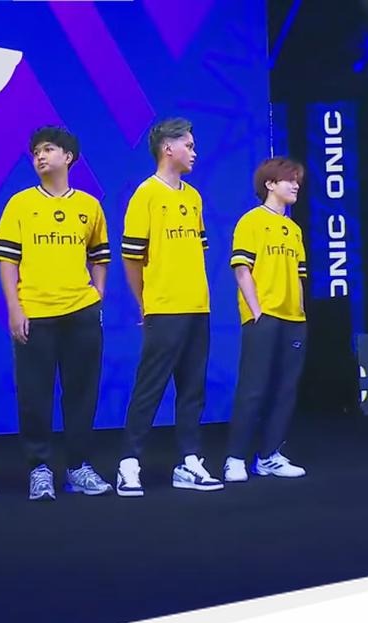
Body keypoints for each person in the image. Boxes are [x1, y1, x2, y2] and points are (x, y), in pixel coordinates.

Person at [0, 126, 113, 501]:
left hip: (81, 314)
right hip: (35, 313)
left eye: (48, 149)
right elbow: (7, 261)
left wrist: (97, 294)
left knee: (82, 394)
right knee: (34, 396)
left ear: (68, 157)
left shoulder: (89, 206)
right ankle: (39, 469)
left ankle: (78, 467)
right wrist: (15, 308)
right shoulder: (20, 204)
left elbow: (100, 255)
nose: (40, 157)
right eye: (35, 152)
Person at [117, 118, 222, 497]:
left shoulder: (193, 198)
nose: (194, 152)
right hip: (163, 308)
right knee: (150, 388)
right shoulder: (145, 195)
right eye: (188, 146)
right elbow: (131, 258)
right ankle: (128, 463)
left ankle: (189, 461)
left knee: (193, 388)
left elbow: (197, 251)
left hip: (198, 307)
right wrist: (145, 303)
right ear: (167, 148)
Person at [222, 157, 309, 483]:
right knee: (253, 389)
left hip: (293, 319)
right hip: (264, 316)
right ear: (270, 184)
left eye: (297, 180)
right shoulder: (252, 221)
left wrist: (300, 313)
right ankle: (235, 458)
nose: (295, 185)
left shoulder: (294, 230)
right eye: (289, 179)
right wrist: (256, 310)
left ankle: (270, 455)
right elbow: (242, 269)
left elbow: (299, 275)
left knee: (286, 390)